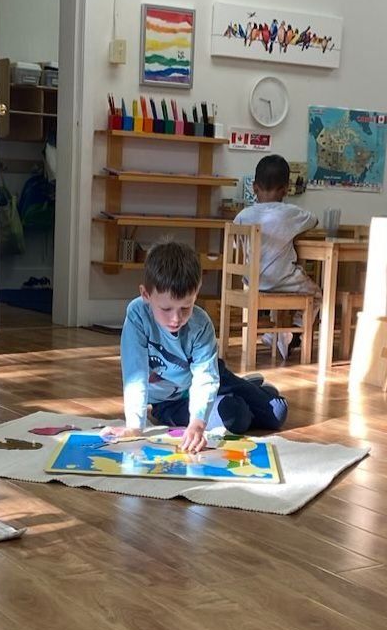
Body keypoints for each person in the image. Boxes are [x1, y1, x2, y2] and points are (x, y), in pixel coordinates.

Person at [100, 240, 288, 451]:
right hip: (170, 402)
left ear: (196, 292)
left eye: (185, 308)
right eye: (166, 308)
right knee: (237, 416)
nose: (175, 318)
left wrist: (197, 424)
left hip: (211, 377)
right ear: (146, 295)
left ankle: (251, 389)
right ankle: (243, 392)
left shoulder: (201, 323)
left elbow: (205, 377)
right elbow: (135, 373)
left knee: (278, 412)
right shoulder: (137, 316)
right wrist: (134, 427)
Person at [233, 154, 320, 359]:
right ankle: (292, 334)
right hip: (281, 281)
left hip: (251, 281)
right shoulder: (291, 213)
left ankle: (278, 335)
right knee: (316, 294)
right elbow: (314, 221)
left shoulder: (242, 216)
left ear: (254, 187)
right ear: (286, 188)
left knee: (285, 277)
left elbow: (237, 245)